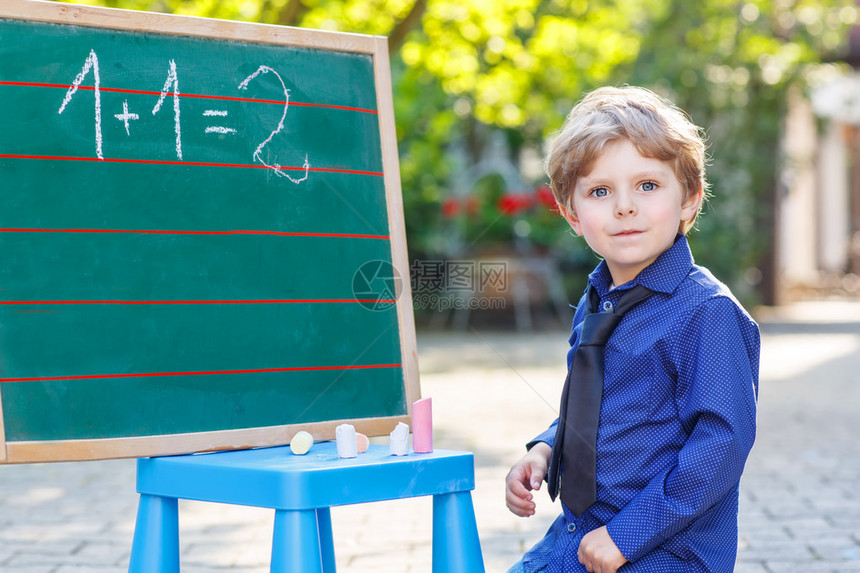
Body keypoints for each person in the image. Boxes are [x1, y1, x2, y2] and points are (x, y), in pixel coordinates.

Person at [504, 86, 760, 573]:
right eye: (600, 191)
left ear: (689, 200)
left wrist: (627, 534)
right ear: (572, 214)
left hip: (665, 548)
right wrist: (545, 448)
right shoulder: (595, 303)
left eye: (647, 186)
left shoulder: (706, 311)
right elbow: (595, 408)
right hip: (582, 534)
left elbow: (723, 443)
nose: (624, 207)